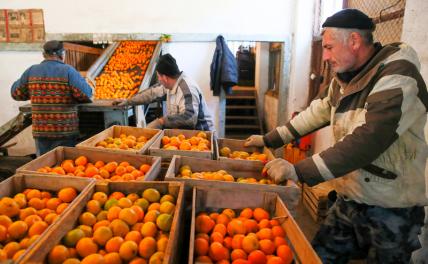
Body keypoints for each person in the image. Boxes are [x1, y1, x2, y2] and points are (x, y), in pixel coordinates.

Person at [245, 9, 428, 263]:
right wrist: (269, 139)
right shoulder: (344, 79)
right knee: (318, 257)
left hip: (392, 209)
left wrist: (299, 171)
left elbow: (370, 138)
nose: (326, 56)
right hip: (350, 198)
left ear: (354, 41)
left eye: (329, 47)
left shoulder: (397, 76)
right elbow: (316, 113)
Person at [11, 40, 92, 156]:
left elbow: (16, 93)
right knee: (64, 167)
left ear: (44, 54)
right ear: (62, 54)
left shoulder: (31, 71)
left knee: (44, 166)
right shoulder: (68, 71)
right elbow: (85, 94)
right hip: (64, 130)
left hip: (41, 131)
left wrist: (35, 92)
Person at [113, 53, 215, 131]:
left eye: (158, 76)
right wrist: (129, 101)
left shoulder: (187, 89)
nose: (158, 79)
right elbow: (151, 94)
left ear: (165, 77)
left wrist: (161, 121)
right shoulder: (169, 84)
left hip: (202, 137)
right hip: (185, 139)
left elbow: (189, 118)